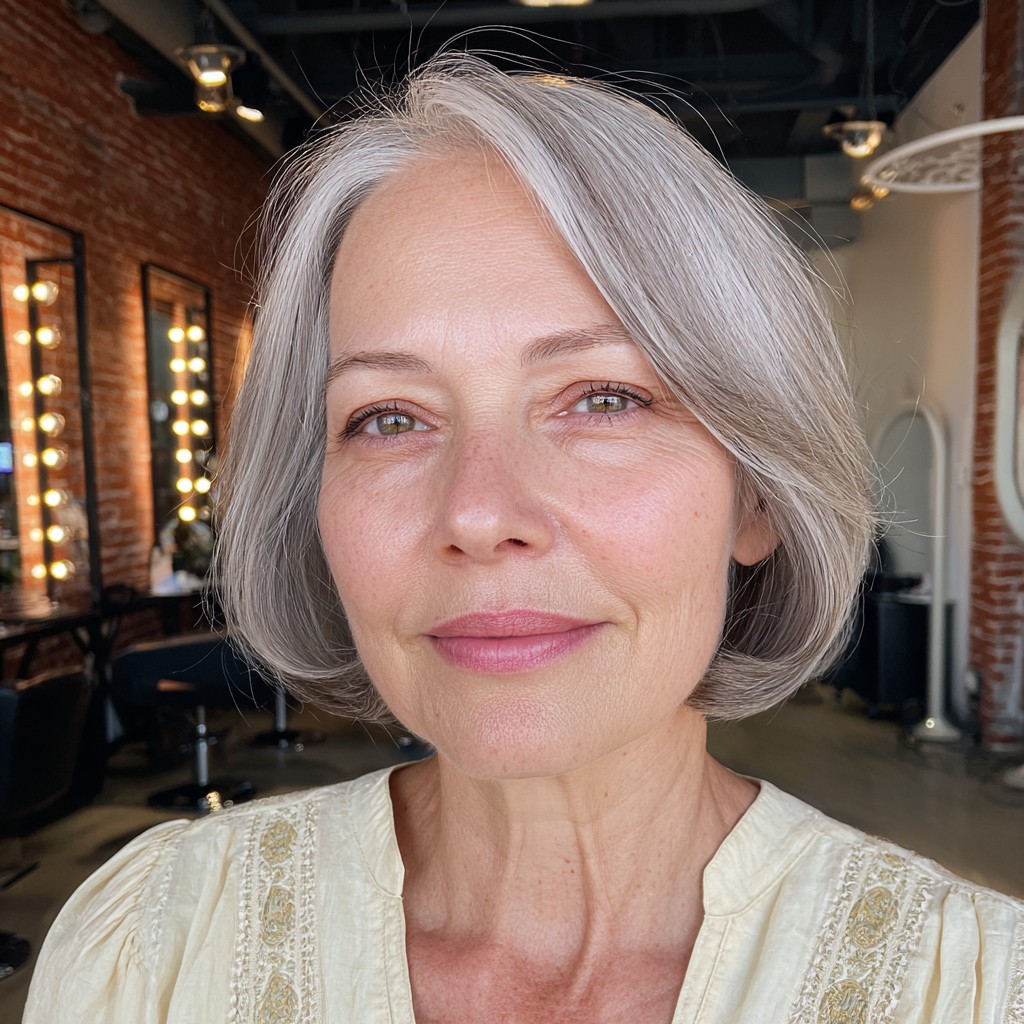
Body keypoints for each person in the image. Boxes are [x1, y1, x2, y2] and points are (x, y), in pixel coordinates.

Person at [25, 53, 1023, 1023]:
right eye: (388, 416)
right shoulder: (152, 950)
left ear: (754, 493)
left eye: (602, 398)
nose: (476, 511)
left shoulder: (967, 986)